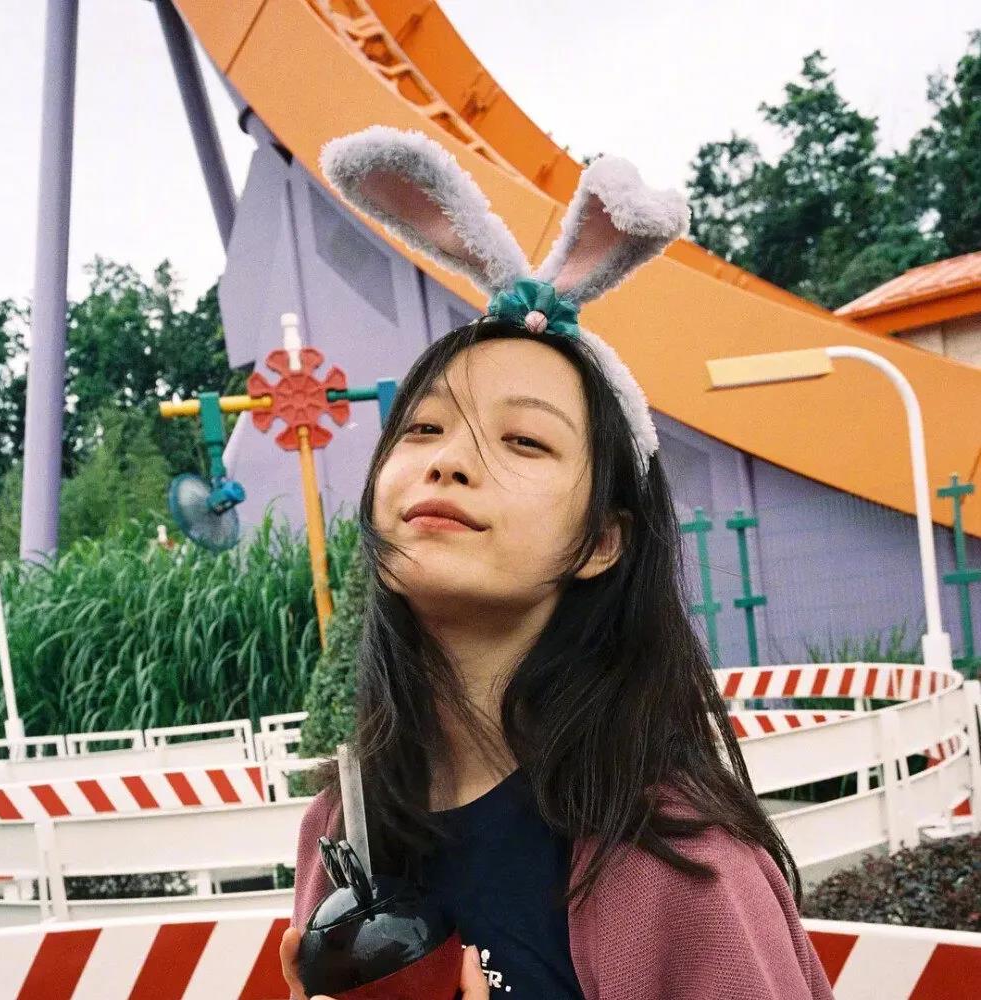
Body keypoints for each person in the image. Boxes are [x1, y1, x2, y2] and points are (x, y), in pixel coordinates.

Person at [279, 125, 836, 1000]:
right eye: (423, 428)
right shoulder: (345, 829)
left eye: (525, 441)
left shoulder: (677, 857)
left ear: (602, 540)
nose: (448, 461)